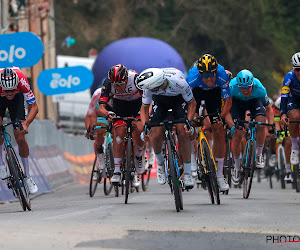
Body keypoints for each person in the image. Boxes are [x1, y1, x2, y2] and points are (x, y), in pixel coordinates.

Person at [137, 67, 196, 189]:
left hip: (178, 100)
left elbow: (192, 103)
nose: (148, 90)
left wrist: (189, 122)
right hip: (160, 102)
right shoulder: (149, 87)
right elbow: (144, 108)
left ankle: (188, 173)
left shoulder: (179, 83)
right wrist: (145, 126)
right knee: (156, 133)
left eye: (151, 88)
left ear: (157, 84)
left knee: (182, 131)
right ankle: (160, 164)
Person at [186, 54, 232, 192]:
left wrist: (221, 118)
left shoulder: (222, 75)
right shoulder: (192, 78)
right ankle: (192, 157)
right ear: (200, 74)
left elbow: (228, 102)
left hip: (214, 95)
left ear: (216, 71)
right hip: (197, 95)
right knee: (191, 124)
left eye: (212, 74)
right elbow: (188, 103)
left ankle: (219, 175)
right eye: (205, 76)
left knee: (218, 128)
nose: (209, 78)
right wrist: (190, 119)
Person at [98, 64, 144, 187]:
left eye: (120, 85)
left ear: (126, 79)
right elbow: (101, 108)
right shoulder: (108, 83)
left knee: (140, 128)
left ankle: (139, 157)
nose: (118, 88)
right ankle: (117, 170)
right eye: (115, 85)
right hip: (120, 106)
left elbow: (147, 101)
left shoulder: (135, 79)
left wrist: (145, 117)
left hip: (137, 106)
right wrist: (108, 114)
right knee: (118, 134)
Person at [230, 69, 274, 182]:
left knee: (260, 123)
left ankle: (259, 154)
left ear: (252, 84)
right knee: (238, 133)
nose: (245, 90)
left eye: (248, 87)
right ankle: (236, 165)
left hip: (254, 102)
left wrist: (271, 125)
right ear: (238, 86)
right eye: (242, 88)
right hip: (237, 104)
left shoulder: (259, 88)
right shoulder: (232, 87)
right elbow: (226, 107)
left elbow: (269, 109)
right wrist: (231, 124)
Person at [0, 67, 39, 194]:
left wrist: (26, 124)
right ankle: (1, 163)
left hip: (17, 100)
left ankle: (27, 176)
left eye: (12, 89)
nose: (9, 93)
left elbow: (34, 107)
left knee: (20, 135)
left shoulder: (22, 81)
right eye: (7, 90)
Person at [84, 83, 112, 179]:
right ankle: (100, 155)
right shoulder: (98, 94)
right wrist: (89, 130)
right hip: (100, 112)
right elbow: (89, 115)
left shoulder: (120, 93)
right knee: (99, 131)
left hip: (116, 110)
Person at [280, 52, 300, 166]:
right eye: (297, 69)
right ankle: (295, 147)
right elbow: (284, 97)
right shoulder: (289, 77)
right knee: (295, 116)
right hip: (293, 100)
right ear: (294, 68)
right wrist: (283, 114)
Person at [274, 97, 292, 181]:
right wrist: (278, 131)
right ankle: (288, 169)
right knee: (287, 142)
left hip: (295, 121)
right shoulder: (278, 102)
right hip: (285, 125)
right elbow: (277, 120)